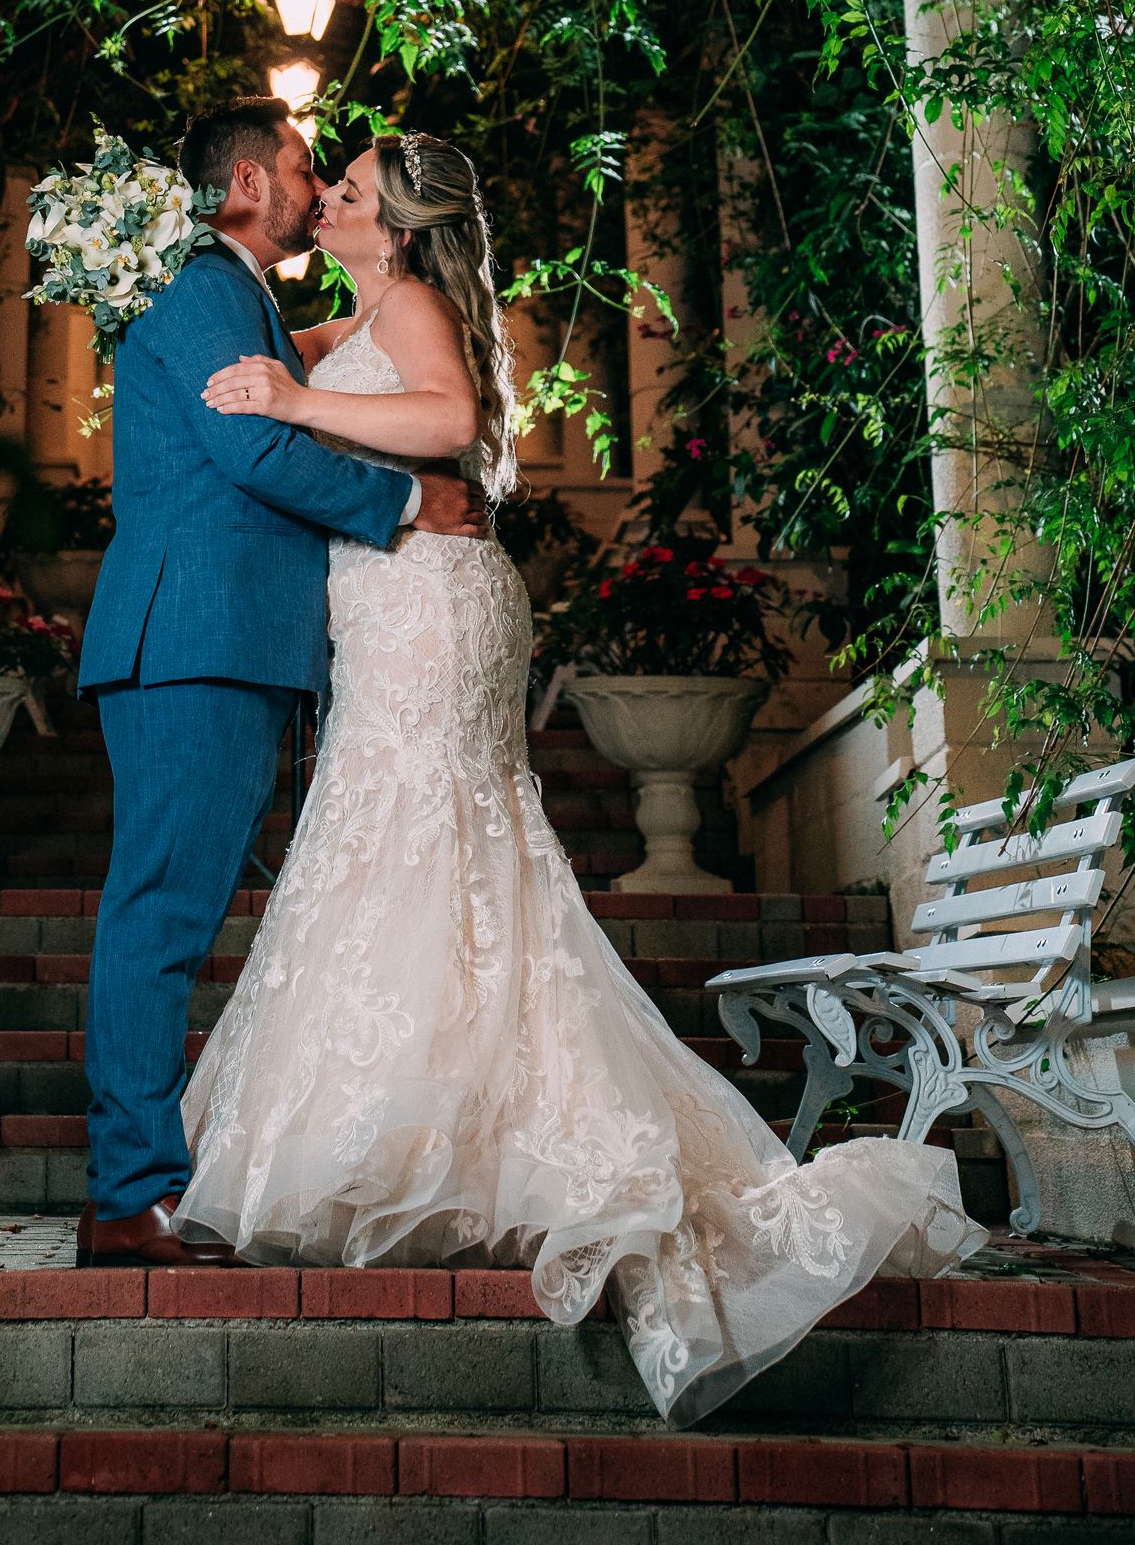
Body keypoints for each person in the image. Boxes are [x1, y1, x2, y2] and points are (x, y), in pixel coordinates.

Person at [177, 130, 983, 1420]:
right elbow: (283, 361)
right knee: (406, 845)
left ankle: (495, 1148)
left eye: (349, 191)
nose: (326, 195)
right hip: (394, 607)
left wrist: (293, 404)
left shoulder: (420, 306)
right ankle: (429, 1132)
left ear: (395, 228)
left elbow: (440, 419)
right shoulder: (358, 315)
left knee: (435, 838)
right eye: (322, 184)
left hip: (433, 607)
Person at [75, 97, 487, 1269]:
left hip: (225, 637)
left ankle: (131, 1185)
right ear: (249, 184)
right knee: (159, 915)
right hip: (194, 637)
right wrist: (412, 505)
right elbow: (251, 448)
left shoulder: (241, 293)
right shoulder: (208, 284)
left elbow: (319, 387)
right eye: (308, 169)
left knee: (170, 912)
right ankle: (130, 1195)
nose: (317, 189)